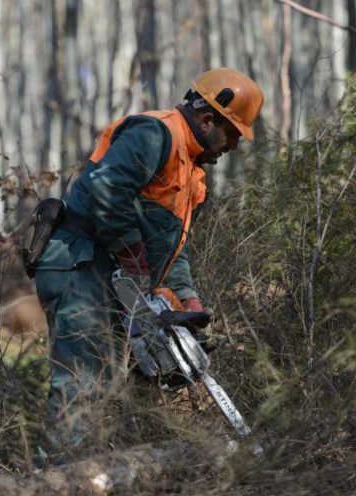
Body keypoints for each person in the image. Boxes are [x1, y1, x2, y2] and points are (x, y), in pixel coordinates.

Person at [33, 68, 264, 454]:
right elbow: (109, 189)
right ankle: (54, 483)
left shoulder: (192, 173)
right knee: (83, 382)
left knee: (140, 383)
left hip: (117, 276)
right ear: (209, 119)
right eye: (233, 134)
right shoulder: (155, 133)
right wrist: (134, 258)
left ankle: (119, 474)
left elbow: (173, 247)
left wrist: (185, 298)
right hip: (81, 266)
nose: (234, 146)